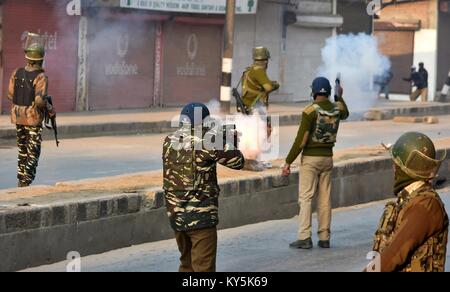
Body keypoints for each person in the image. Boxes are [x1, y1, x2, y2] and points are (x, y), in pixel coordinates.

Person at [163, 102, 245, 272]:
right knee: (203, 269)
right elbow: (238, 161)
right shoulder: (208, 142)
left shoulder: (168, 141)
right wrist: (230, 140)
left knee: (187, 266)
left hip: (176, 216)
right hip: (200, 218)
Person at [282, 77, 349, 249]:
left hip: (311, 160)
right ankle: (324, 237)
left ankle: (305, 237)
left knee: (306, 198)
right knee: (325, 199)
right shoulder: (337, 108)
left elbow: (300, 140)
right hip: (328, 159)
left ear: (314, 92)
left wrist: (288, 161)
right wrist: (339, 95)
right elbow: (346, 113)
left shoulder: (310, 111)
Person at [371, 132, 448, 272]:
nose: (393, 169)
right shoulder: (410, 198)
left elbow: (394, 253)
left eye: (396, 164)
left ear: (403, 169)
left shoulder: (425, 205)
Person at [7, 33, 55, 187]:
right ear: (40, 59)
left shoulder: (16, 72)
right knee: (33, 152)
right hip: (32, 118)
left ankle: (21, 179)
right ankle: (26, 182)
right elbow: (40, 101)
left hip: (18, 116)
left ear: (28, 58)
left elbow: (10, 95)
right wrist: (49, 108)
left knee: (22, 150)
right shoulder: (41, 77)